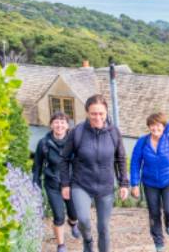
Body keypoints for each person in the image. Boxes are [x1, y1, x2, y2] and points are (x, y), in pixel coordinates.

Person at [60, 94, 129, 252]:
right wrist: (65, 184)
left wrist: (123, 183)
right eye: (93, 113)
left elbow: (121, 158)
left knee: (103, 227)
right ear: (87, 113)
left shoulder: (114, 133)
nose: (97, 117)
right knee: (83, 220)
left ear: (106, 113)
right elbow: (64, 159)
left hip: (105, 187)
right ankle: (88, 241)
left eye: (101, 113)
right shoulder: (77, 132)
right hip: (81, 184)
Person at [130, 112, 169, 252]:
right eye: (152, 125)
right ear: (149, 126)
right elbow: (135, 163)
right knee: (154, 213)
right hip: (150, 184)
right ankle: (159, 243)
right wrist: (135, 184)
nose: (155, 128)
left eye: (158, 125)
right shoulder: (142, 142)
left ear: (163, 126)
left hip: (168, 182)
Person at [32, 112, 80, 252]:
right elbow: (37, 167)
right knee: (58, 215)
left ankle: (73, 223)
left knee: (74, 214)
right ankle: (61, 245)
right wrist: (36, 187)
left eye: (62, 122)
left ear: (67, 126)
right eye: (56, 122)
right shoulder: (43, 144)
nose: (59, 125)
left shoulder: (74, 142)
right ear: (51, 125)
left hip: (71, 184)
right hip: (52, 184)